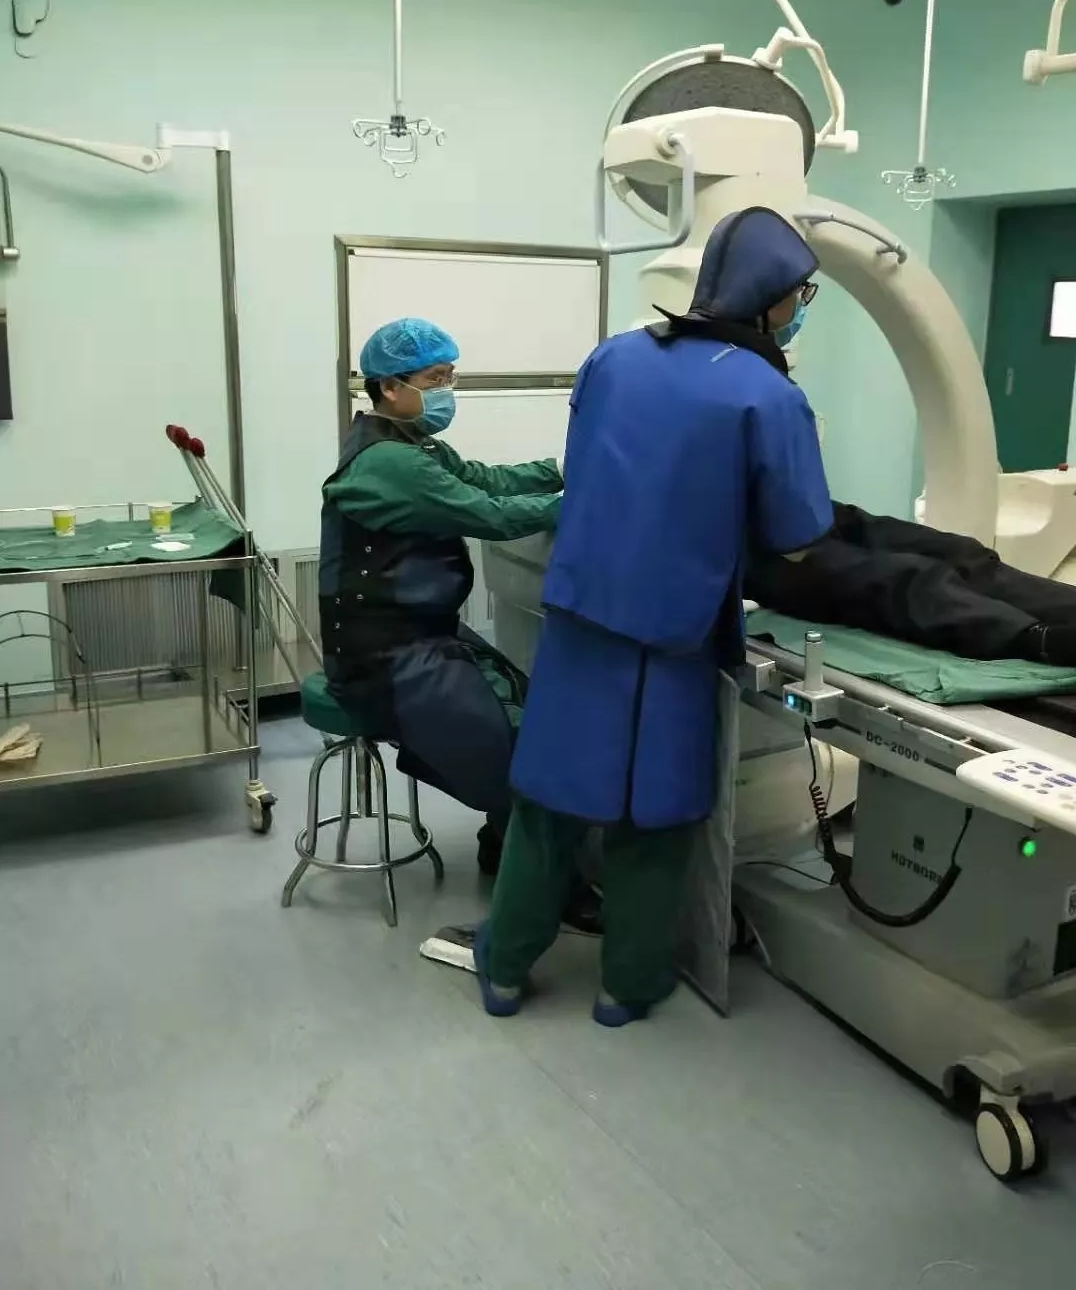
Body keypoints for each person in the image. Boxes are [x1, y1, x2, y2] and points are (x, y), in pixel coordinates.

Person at [474, 206, 834, 1024]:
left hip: (582, 618)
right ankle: (626, 986)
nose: (800, 308)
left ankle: (503, 969)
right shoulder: (770, 396)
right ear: (773, 297)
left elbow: (583, 470)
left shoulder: (614, 357)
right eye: (801, 294)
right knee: (655, 816)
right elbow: (798, 538)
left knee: (550, 803)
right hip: (676, 636)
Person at [318, 316, 601, 931]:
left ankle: (504, 843)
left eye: (450, 377)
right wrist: (583, 502)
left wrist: (561, 468)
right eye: (435, 379)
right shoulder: (390, 463)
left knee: (524, 701)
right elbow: (488, 513)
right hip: (384, 658)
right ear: (390, 387)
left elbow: (483, 480)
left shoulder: (410, 443)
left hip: (418, 634)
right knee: (522, 751)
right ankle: (556, 888)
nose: (448, 390)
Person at [747, 501, 1076, 666]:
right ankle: (1039, 640)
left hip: (774, 507)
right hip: (738, 547)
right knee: (901, 577)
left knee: (959, 552)